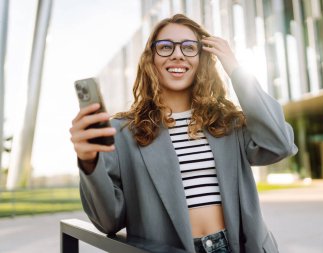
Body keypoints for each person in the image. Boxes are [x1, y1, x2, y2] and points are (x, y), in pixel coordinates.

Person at [70, 13, 297, 253]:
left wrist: (236, 70)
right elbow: (108, 221)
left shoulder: (227, 122)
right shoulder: (123, 132)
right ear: (151, 59)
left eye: (189, 47)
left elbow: (279, 144)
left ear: (202, 58)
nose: (177, 54)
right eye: (165, 47)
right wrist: (88, 162)